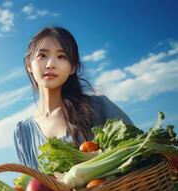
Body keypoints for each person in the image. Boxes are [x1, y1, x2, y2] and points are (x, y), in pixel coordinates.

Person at [13, 26, 132, 170]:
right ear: (29, 66)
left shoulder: (98, 107)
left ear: (72, 67)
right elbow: (32, 188)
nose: (50, 64)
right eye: (42, 56)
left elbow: (140, 151)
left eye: (61, 56)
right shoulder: (23, 132)